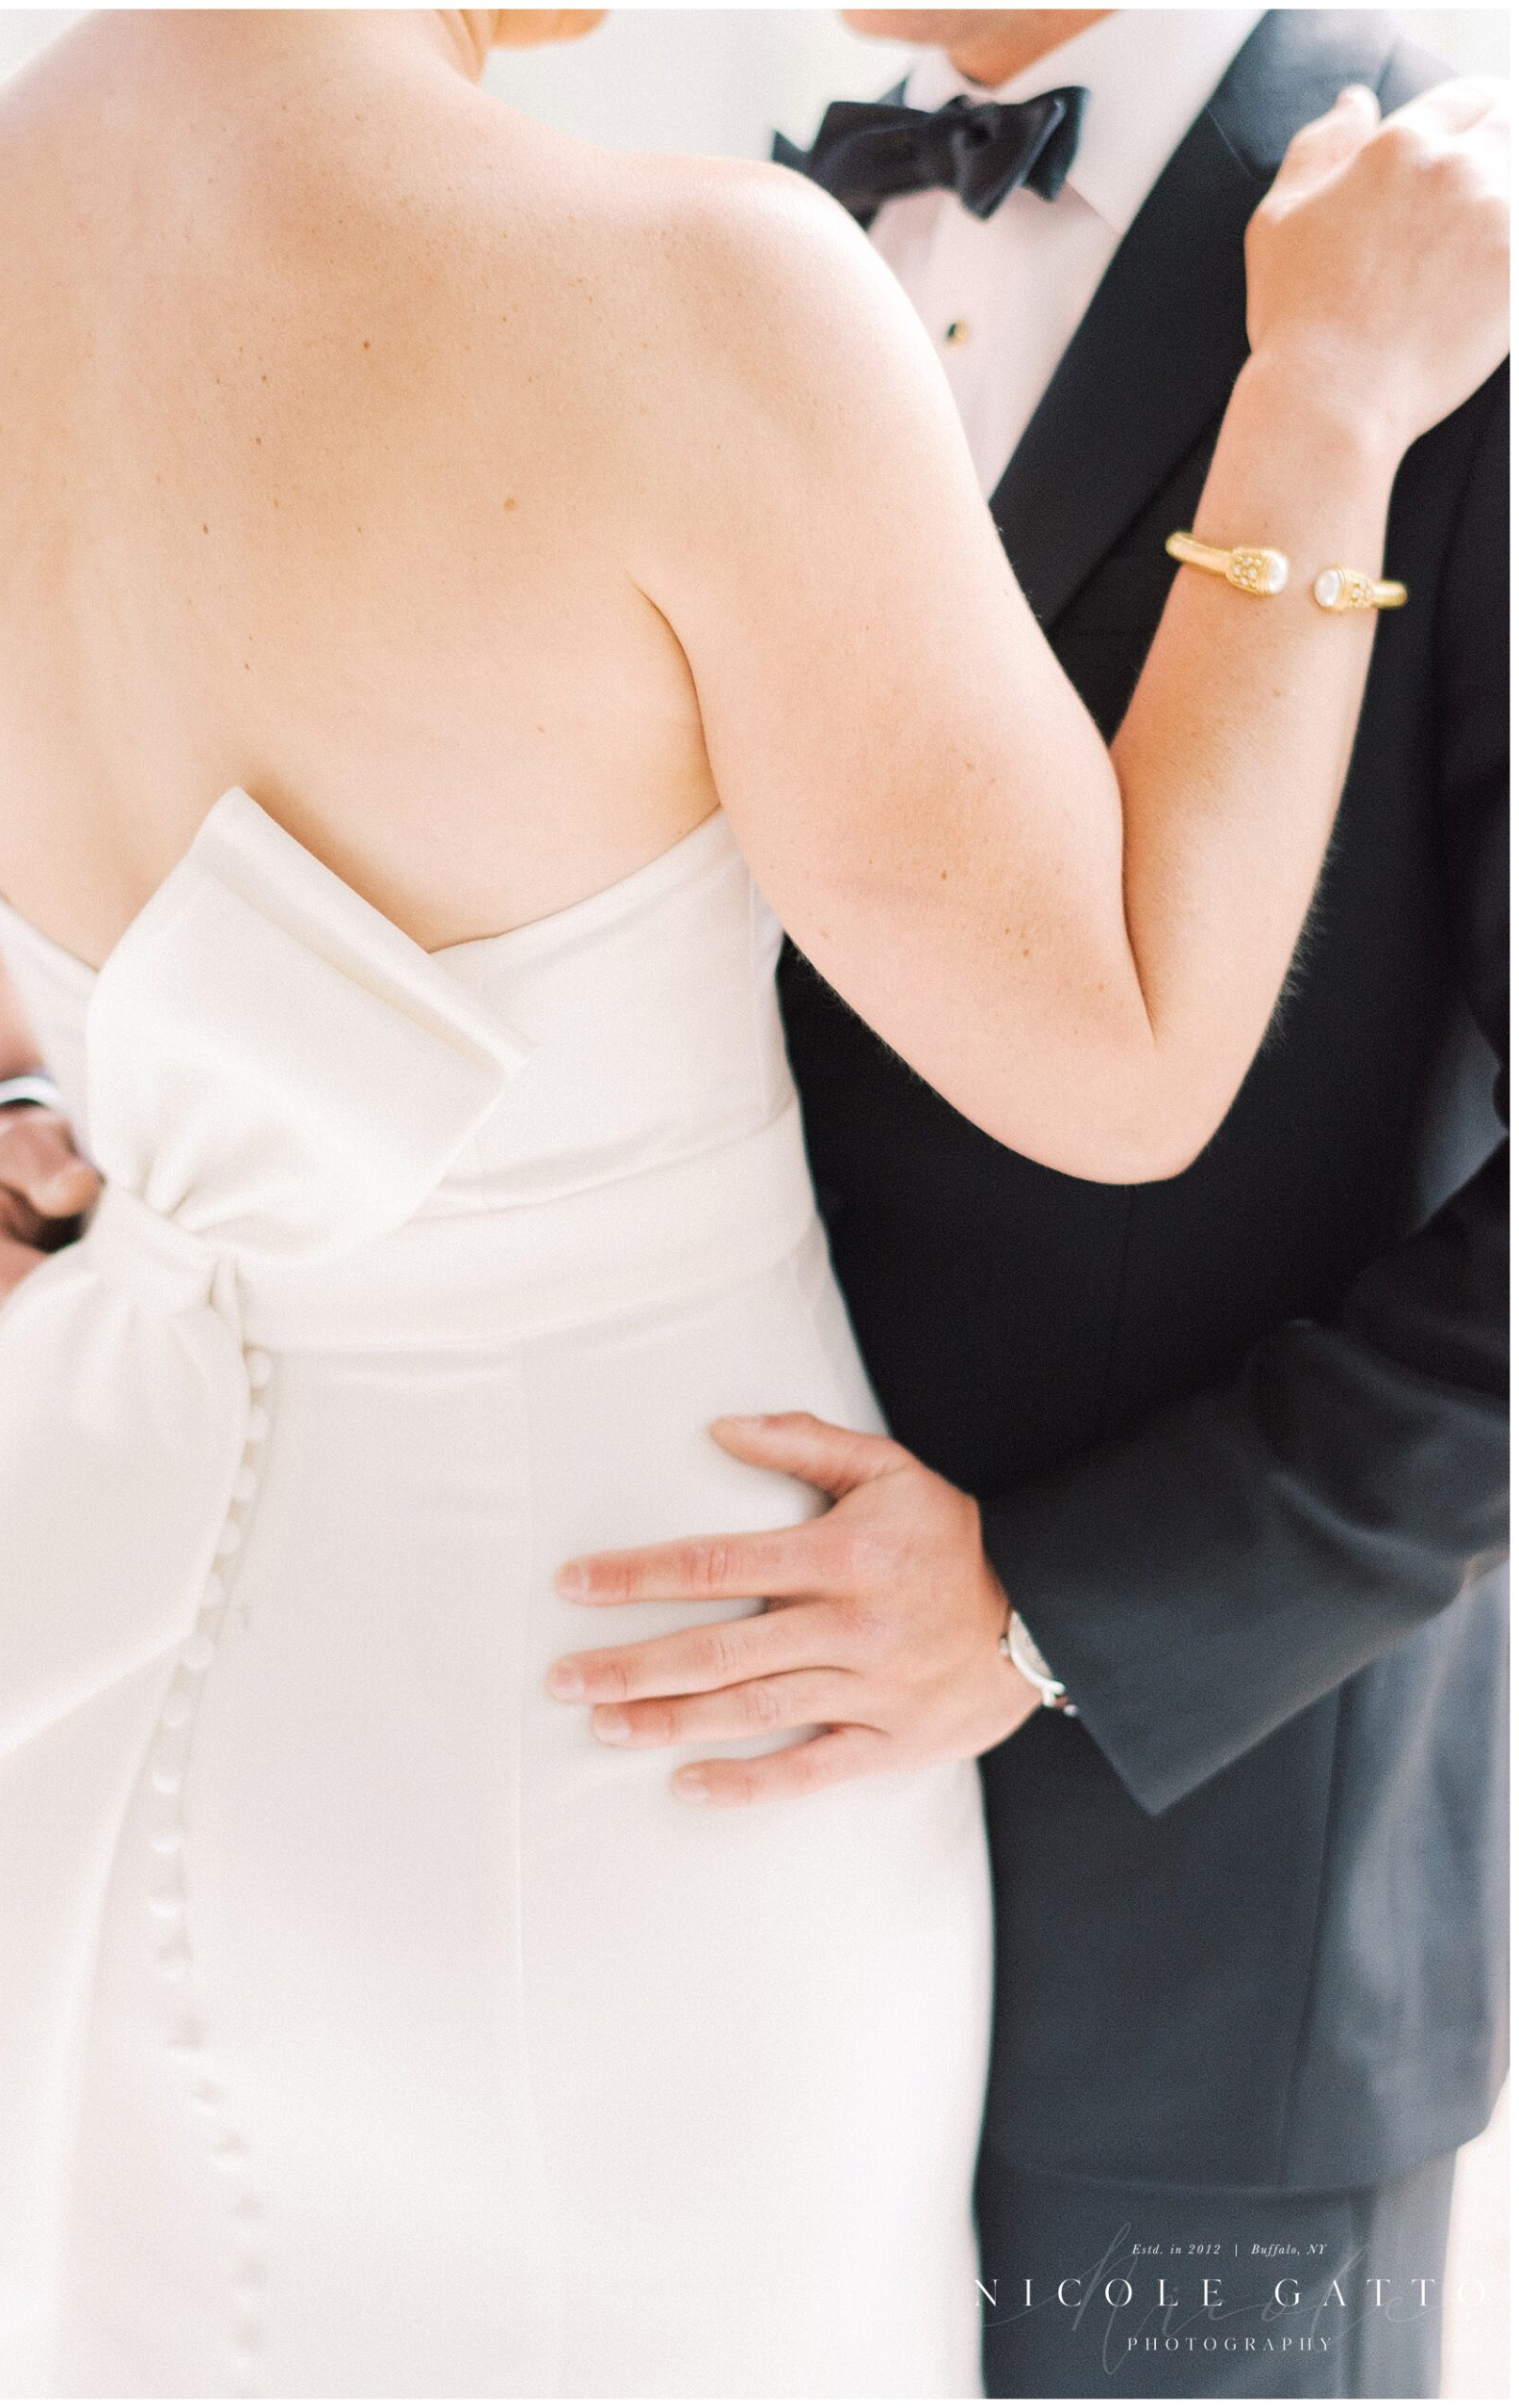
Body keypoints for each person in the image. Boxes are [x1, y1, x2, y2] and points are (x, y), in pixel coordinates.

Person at [0, 8, 1505, 2398]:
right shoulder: (694, 280)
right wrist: (1314, 409)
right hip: (661, 1745)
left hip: (217, 1728)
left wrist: (7, 1149)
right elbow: (1120, 1057)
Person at [558, 10, 1511, 2398]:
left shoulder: (1457, 265)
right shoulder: (708, 261)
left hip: (1192, 1923)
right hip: (664, 1859)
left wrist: (1060, 1604)